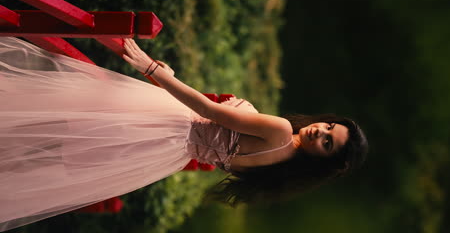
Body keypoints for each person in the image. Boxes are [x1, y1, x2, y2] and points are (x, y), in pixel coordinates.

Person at [0, 37, 368, 231]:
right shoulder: (276, 172)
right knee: (64, 142)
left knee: (64, 118)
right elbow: (221, 146)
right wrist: (242, 111)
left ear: (325, 161)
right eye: (330, 126)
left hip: (171, 125)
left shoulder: (282, 130)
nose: (321, 130)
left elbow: (207, 112)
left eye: (327, 142)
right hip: (166, 155)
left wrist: (156, 71)